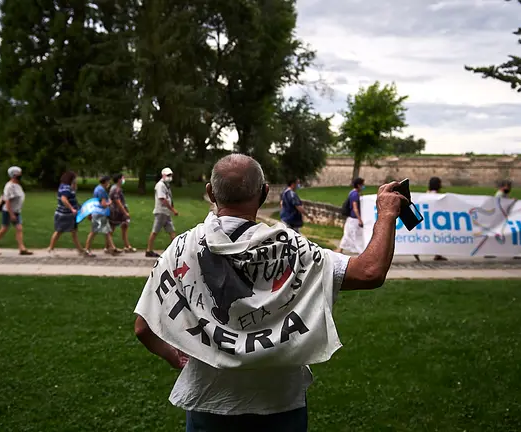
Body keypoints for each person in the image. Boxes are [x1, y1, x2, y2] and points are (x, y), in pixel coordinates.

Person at [133, 154, 407, 432]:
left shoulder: (181, 248)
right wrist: (386, 214)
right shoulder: (296, 250)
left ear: (210, 193)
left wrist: (174, 356)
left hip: (209, 401)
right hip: (279, 403)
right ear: (264, 192)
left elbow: (143, 327)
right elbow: (369, 271)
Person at [47, 171, 94, 257]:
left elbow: (74, 201)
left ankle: (80, 250)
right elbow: (63, 199)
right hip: (64, 214)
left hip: (69, 214)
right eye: (74, 178)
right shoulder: (66, 187)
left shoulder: (66, 187)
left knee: (73, 231)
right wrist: (71, 208)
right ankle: (51, 249)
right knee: (59, 231)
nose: (76, 179)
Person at [0, 166, 33, 255]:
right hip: (9, 212)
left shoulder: (17, 185)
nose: (20, 175)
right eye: (19, 173)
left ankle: (22, 248)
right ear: (14, 175)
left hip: (16, 211)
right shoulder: (9, 186)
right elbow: (7, 201)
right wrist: (11, 214)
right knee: (4, 229)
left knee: (19, 228)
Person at [145, 167, 178, 258]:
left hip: (166, 212)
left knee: (171, 231)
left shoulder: (166, 185)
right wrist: (173, 209)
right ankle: (149, 250)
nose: (169, 177)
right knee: (155, 231)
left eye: (170, 175)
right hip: (161, 212)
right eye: (168, 175)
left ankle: (176, 250)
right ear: (163, 175)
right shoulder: (160, 185)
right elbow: (162, 199)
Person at [85, 175, 121, 256]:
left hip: (98, 213)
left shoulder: (97, 188)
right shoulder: (101, 191)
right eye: (108, 181)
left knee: (107, 231)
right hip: (99, 214)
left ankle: (112, 248)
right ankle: (87, 250)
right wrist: (110, 202)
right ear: (105, 182)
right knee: (93, 232)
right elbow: (103, 204)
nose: (109, 183)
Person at [414, 177, 447, 262]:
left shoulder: (425, 195)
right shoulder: (438, 197)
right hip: (434, 221)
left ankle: (436, 254)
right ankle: (438, 254)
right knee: (439, 235)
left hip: (426, 220)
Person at [109, 173, 136, 252]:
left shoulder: (117, 188)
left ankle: (127, 245)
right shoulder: (116, 189)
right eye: (122, 178)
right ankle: (110, 246)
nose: (124, 179)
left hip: (119, 211)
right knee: (112, 229)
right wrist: (125, 212)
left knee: (124, 226)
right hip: (116, 212)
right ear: (119, 180)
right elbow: (117, 201)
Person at [338, 177, 365, 254]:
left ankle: (340, 250)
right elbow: (355, 208)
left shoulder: (352, 193)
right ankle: (361, 252)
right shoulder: (355, 194)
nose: (363, 186)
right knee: (355, 236)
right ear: (359, 185)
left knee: (347, 233)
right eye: (362, 184)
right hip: (354, 219)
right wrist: (360, 219)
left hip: (351, 218)